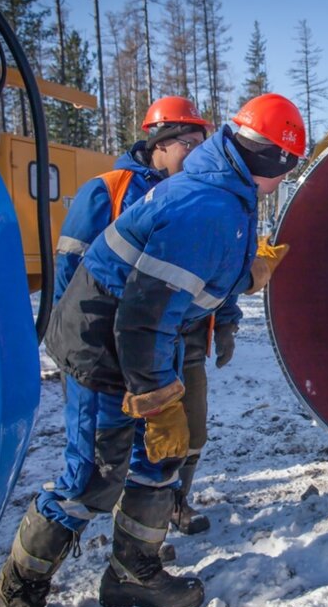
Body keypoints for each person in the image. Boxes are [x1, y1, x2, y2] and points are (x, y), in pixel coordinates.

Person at [0, 93, 304, 607]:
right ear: (271, 161)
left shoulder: (233, 194)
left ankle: (134, 571)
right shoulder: (207, 204)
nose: (284, 181)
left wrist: (241, 288)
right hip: (104, 341)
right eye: (288, 169)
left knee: (159, 456)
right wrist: (155, 400)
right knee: (94, 476)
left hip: (145, 335)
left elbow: (197, 283)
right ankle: (14, 591)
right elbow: (141, 316)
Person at [52, 95, 233, 536]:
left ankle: (166, 513)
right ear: (159, 142)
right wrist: (76, 352)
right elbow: (71, 275)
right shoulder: (107, 191)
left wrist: (225, 320)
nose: (196, 153)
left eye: (201, 143)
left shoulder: (198, 196)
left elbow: (215, 267)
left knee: (182, 435)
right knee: (104, 459)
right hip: (113, 348)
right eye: (188, 142)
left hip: (179, 341)